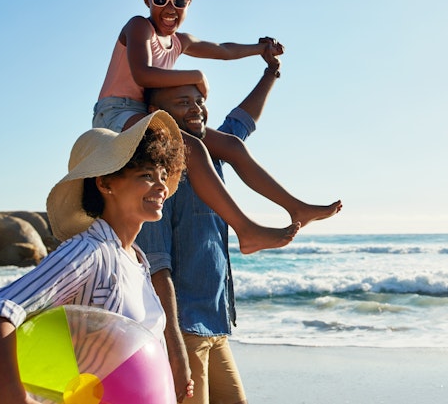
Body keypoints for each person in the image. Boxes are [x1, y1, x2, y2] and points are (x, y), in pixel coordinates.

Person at [94, 0, 340, 253]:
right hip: (118, 111)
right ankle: (246, 230)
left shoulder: (180, 41)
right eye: (160, 0)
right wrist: (197, 76)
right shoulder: (139, 26)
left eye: (179, 2)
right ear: (147, 0)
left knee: (232, 145)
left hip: (149, 114)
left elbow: (223, 50)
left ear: (189, 2)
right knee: (193, 148)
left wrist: (260, 50)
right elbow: (142, 73)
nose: (169, 8)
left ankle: (296, 208)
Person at [135, 49, 315, 403]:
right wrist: (173, 344)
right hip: (184, 329)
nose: (197, 108)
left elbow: (241, 122)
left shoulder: (214, 154)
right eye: (183, 102)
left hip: (215, 323)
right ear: (160, 116)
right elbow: (157, 264)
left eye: (200, 101)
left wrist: (270, 74)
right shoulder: (163, 180)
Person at [0, 112, 192, 404]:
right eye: (146, 176)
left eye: (163, 176)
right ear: (105, 184)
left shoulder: (137, 260)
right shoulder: (90, 252)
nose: (162, 186)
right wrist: (14, 398)